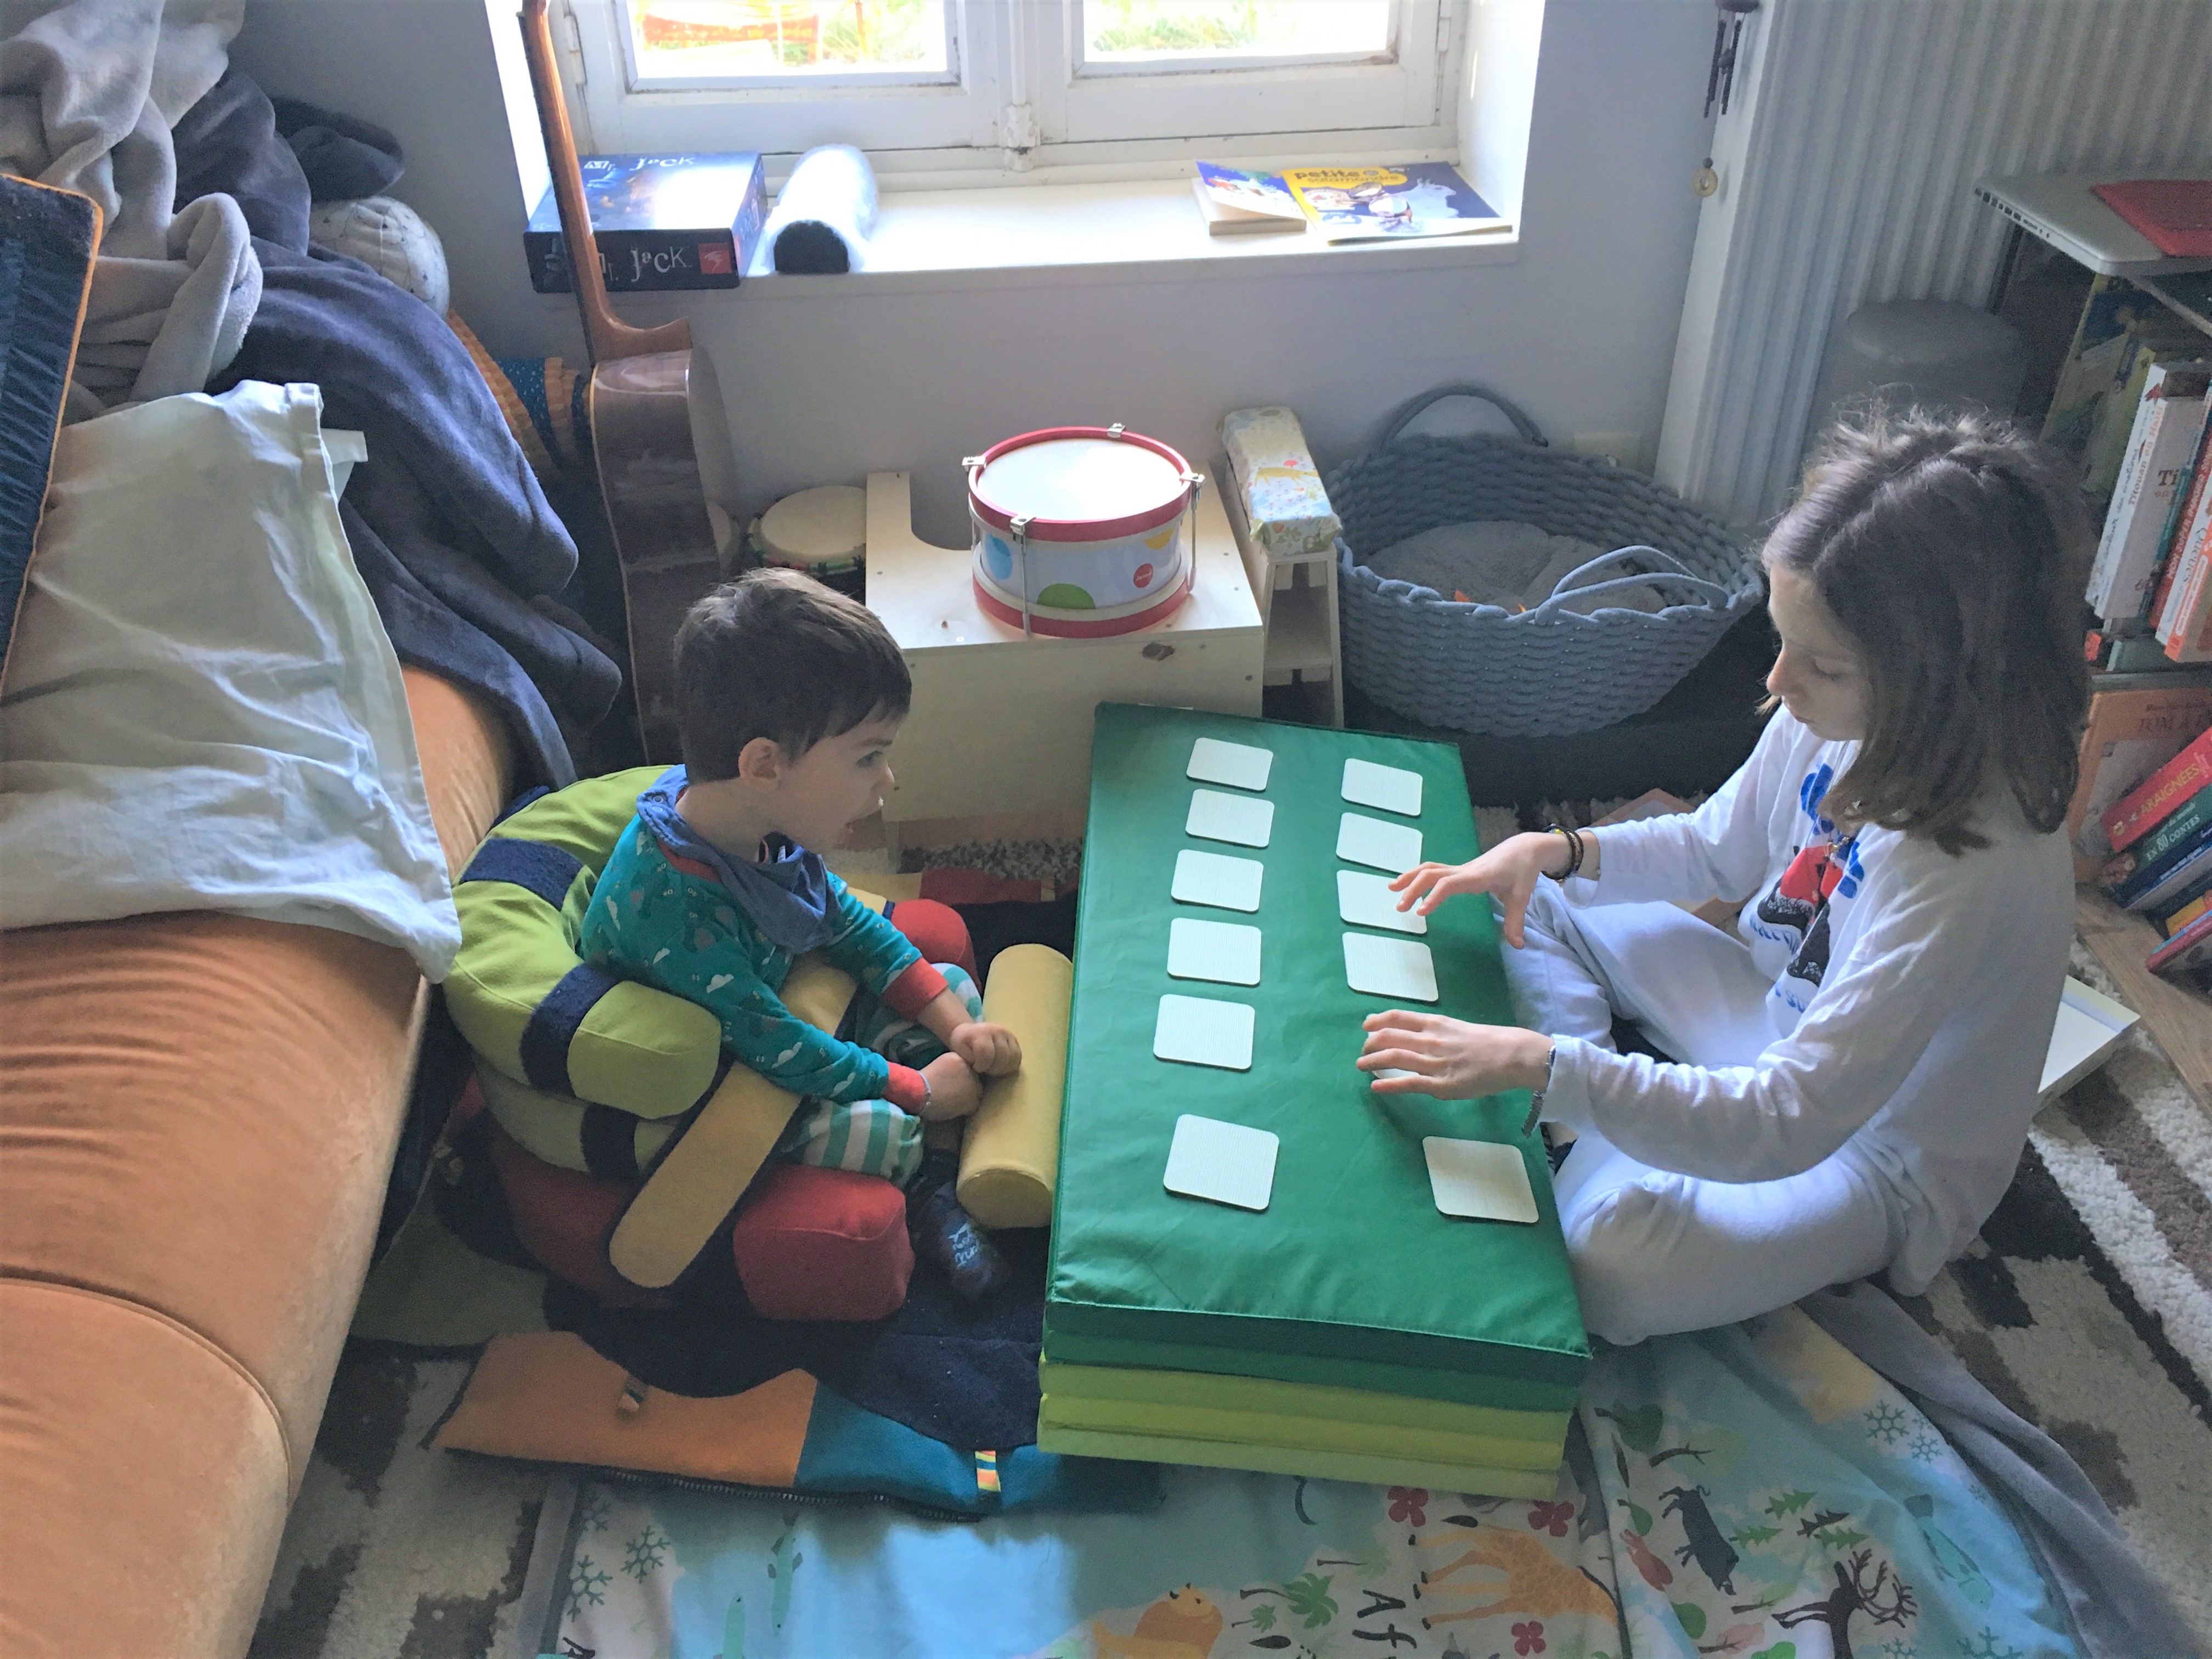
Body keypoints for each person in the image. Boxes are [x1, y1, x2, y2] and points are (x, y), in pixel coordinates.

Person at [1359, 411, 2093, 1345]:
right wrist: (1557, 852)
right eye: (1781, 641)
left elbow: (1794, 1117)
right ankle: (1594, 1133)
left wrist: (1547, 1067)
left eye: (1821, 664)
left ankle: (1597, 1129)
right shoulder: (1831, 713)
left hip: (1874, 1153)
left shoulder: (1966, 863)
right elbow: (1716, 848)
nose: (1779, 682)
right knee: (1528, 895)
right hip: (1768, 1015)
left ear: (1941, 681)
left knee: (1615, 1265)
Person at [579, 568, 1024, 1298]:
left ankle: (938, 1162)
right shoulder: (678, 909)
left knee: (949, 986)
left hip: (785, 1009)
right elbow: (778, 1048)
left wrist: (956, 1028)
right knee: (882, 1133)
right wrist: (915, 1090)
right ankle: (934, 1195)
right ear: (765, 765)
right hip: (730, 1076)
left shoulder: (758, 820)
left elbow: (846, 921)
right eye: (868, 757)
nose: (887, 781)